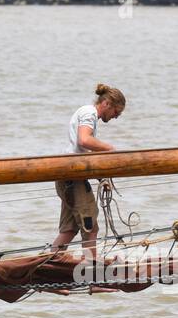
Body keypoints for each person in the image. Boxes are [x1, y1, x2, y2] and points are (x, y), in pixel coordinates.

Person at [53, 84, 126, 261]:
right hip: (73, 178)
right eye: (117, 111)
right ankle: (93, 275)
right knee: (90, 227)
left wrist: (102, 177)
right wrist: (110, 149)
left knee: (69, 228)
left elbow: (82, 151)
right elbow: (84, 140)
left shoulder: (88, 114)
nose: (116, 116)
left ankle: (47, 266)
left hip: (69, 176)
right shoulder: (89, 113)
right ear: (107, 103)